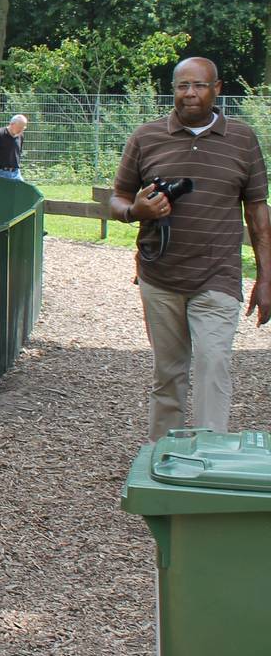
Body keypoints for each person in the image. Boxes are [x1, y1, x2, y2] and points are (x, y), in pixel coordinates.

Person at [109, 57, 271, 442]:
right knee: (168, 373)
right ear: (173, 89)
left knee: (214, 365)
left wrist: (266, 277)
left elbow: (258, 212)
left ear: (217, 89)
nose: (190, 94)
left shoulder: (242, 138)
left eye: (199, 85)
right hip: (160, 275)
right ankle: (162, 462)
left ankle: (207, 464)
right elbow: (116, 198)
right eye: (182, 86)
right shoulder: (146, 137)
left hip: (218, 276)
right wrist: (137, 211)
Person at [0, 114, 29, 179]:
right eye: (20, 127)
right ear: (12, 124)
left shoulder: (20, 136)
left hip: (16, 173)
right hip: (0, 173)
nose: (21, 130)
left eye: (23, 128)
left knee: (24, 189)